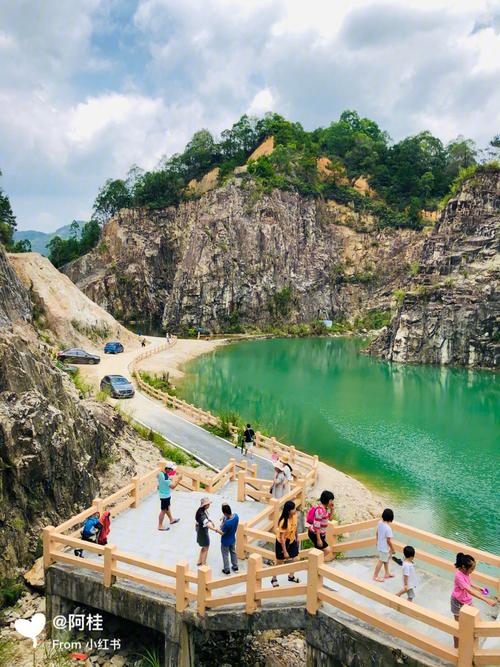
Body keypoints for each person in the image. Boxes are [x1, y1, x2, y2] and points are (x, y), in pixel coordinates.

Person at [451, 553, 496, 648]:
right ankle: (456, 647)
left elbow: (469, 583)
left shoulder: (465, 573)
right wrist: (486, 600)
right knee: (458, 627)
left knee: (476, 620)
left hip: (466, 600)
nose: (472, 571)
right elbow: (469, 590)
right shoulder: (458, 576)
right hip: (457, 602)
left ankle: (472, 643)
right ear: (463, 567)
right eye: (471, 569)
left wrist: (479, 588)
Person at [271, 500, 301, 587]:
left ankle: (291, 576)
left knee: (296, 559)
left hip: (291, 540)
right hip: (282, 543)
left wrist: (297, 537)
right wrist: (285, 552)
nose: (295, 510)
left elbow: (295, 527)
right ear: (289, 511)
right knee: (279, 562)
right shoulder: (283, 522)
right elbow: (282, 538)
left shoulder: (294, 516)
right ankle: (273, 579)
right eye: (293, 509)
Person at [307, 490, 335, 559]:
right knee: (327, 550)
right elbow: (317, 526)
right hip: (315, 534)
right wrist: (319, 539)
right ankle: (314, 563)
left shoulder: (324, 509)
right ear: (328, 500)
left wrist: (332, 510)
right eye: (331, 500)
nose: (332, 502)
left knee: (318, 551)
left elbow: (330, 519)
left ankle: (314, 563)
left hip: (320, 534)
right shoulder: (320, 510)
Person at [195, 498, 221, 566]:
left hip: (200, 530)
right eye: (208, 504)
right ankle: (203, 563)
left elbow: (206, 521)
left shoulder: (200, 510)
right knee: (206, 547)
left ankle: (199, 560)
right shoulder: (202, 514)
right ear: (205, 505)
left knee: (203, 547)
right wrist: (215, 529)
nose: (209, 505)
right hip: (203, 532)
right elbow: (207, 524)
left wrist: (210, 520)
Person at [373, 508, 395, 582]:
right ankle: (375, 576)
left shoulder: (380, 523)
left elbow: (377, 533)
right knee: (381, 561)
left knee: (386, 559)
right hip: (384, 547)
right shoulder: (388, 528)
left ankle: (387, 573)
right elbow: (388, 540)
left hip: (380, 545)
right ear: (391, 518)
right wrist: (393, 549)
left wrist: (377, 541)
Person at [157, 462, 180, 531]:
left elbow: (160, 479)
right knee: (163, 510)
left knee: (167, 508)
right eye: (171, 470)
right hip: (165, 496)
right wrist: (179, 479)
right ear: (168, 469)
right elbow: (173, 486)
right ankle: (160, 525)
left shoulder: (161, 473)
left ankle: (171, 519)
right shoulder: (166, 478)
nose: (172, 471)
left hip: (162, 494)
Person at [220, 504, 239, 574]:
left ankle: (227, 569)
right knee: (233, 552)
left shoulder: (227, 523)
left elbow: (222, 532)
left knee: (225, 555)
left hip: (225, 541)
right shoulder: (236, 516)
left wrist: (216, 529)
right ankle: (235, 566)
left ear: (225, 513)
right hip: (232, 538)